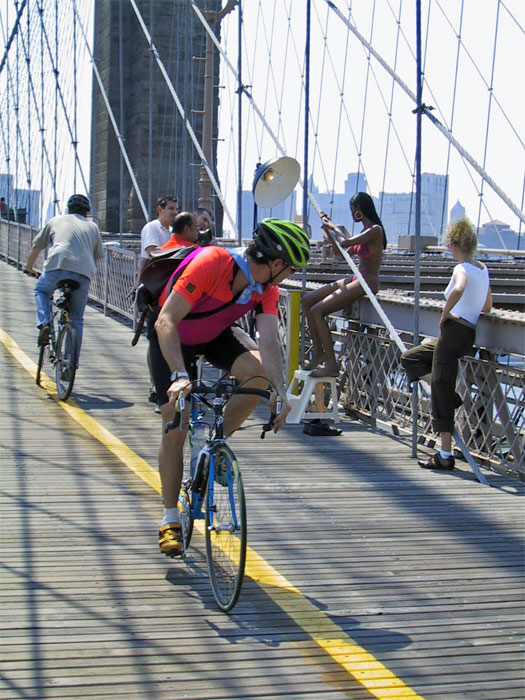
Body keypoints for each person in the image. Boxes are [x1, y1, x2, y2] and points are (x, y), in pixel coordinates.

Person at [153, 219, 311, 557]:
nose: (288, 277)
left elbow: (269, 342)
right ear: (276, 263)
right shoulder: (211, 263)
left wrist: (281, 394)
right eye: (290, 269)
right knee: (175, 423)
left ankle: (216, 442)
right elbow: (165, 321)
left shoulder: (265, 288)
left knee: (257, 374)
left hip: (212, 336)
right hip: (172, 339)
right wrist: (180, 374)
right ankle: (169, 518)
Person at [401, 218, 492, 471]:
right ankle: (450, 396)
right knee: (410, 358)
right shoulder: (483, 269)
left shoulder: (461, 268)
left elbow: (459, 288)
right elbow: (487, 306)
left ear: (453, 244)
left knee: (440, 385)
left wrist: (445, 312)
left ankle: (444, 455)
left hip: (452, 331)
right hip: (468, 335)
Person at [302, 192, 386, 377]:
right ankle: (318, 353)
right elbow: (342, 253)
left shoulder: (375, 230)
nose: (351, 214)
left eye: (352, 210)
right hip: (358, 278)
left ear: (359, 210)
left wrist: (334, 226)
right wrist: (329, 234)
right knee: (308, 301)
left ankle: (331, 365)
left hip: (367, 281)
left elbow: (346, 241)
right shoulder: (364, 233)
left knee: (318, 311)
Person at [24, 194, 104, 363]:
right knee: (76, 319)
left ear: (68, 210)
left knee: (41, 290)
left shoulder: (56, 220)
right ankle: (70, 363)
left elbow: (36, 247)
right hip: (84, 272)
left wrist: (29, 268)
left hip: (57, 265)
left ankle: (44, 322)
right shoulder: (92, 227)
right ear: (87, 213)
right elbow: (96, 257)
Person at [139, 195, 180, 410]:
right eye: (171, 209)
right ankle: (157, 384)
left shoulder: (172, 233)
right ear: (159, 209)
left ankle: (163, 381)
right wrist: (180, 253)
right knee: (155, 340)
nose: (174, 212)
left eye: (176, 209)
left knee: (163, 337)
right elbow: (152, 252)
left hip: (168, 290)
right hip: (153, 291)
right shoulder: (152, 228)